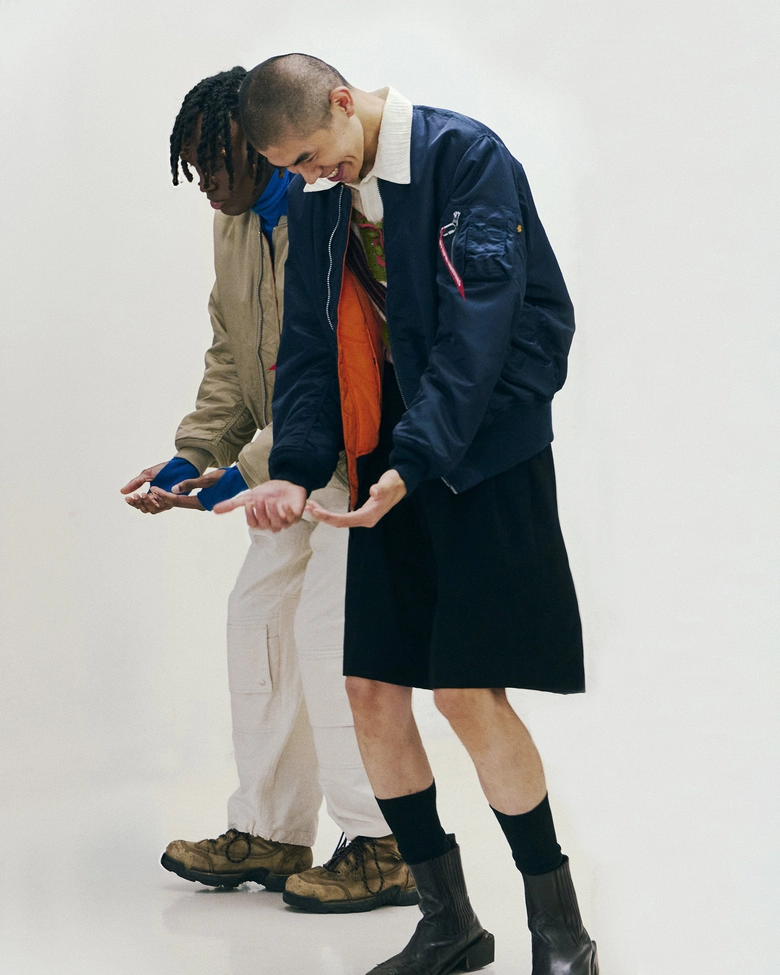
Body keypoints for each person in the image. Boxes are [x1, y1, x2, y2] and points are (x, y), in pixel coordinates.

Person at [216, 54, 599, 974]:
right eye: (292, 168)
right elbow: (309, 343)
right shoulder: (321, 196)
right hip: (395, 451)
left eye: (312, 153)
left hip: (484, 451)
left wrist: (415, 460)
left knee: (468, 692)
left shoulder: (465, 157)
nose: (311, 174)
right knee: (370, 689)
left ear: (343, 102)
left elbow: (480, 330)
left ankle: (561, 931)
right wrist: (296, 471)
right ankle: (448, 922)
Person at [120, 67, 417, 915]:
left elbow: (330, 365)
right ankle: (271, 830)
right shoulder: (235, 225)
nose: (206, 185)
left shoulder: (332, 213)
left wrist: (244, 469)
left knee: (330, 640)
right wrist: (192, 455)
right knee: (257, 624)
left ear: (262, 147)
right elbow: (232, 353)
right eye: (194, 169)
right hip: (278, 470)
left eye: (216, 163)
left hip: (353, 465)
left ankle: (386, 842)